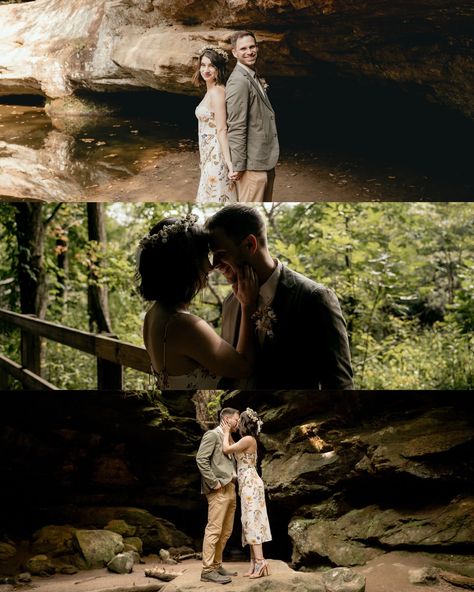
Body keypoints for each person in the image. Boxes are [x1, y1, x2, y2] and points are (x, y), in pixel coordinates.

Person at [205, 204, 354, 389]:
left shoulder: (314, 298)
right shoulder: (230, 302)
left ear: (250, 244)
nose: (214, 264)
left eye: (220, 254)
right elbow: (230, 375)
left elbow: (340, 384)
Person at [137, 214, 259, 389]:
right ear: (186, 265)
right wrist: (248, 305)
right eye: (204, 256)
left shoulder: (153, 314)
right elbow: (244, 367)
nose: (210, 266)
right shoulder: (184, 326)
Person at [225, 31, 279, 202]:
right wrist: (239, 166)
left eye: (252, 46)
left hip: (265, 161)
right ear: (234, 52)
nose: (249, 51)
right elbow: (236, 126)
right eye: (243, 49)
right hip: (251, 167)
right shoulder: (238, 81)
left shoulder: (252, 74)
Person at [222, 407, 271, 579]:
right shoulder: (245, 440)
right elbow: (232, 445)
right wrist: (227, 431)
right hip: (247, 484)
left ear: (243, 423)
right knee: (248, 522)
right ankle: (253, 563)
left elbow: (227, 449)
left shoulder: (248, 439)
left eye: (239, 420)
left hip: (250, 483)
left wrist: (226, 431)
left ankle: (260, 561)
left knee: (253, 522)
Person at [196, 407, 241, 585]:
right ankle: (207, 571)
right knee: (214, 530)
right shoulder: (212, 435)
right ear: (227, 419)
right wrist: (214, 483)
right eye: (236, 419)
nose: (238, 422)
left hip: (231, 488)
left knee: (226, 531)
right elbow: (201, 459)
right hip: (219, 490)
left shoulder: (226, 437)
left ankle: (216, 565)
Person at [193, 46, 237, 203]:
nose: (206, 69)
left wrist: (230, 164)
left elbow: (222, 129)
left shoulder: (218, 91)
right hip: (207, 153)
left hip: (216, 153)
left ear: (219, 68)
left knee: (215, 195)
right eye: (203, 65)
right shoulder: (210, 90)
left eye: (211, 65)